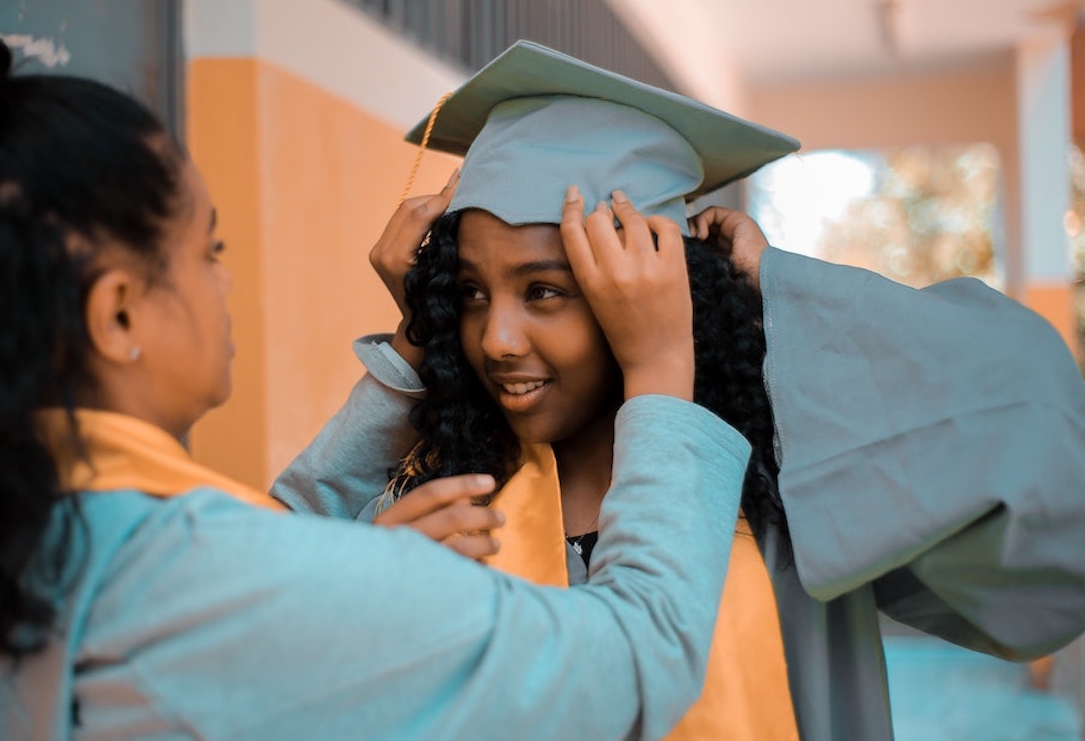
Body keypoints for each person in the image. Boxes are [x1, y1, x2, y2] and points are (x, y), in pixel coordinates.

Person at [0, 37, 755, 740]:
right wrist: (659, 371)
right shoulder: (204, 577)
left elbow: (273, 539)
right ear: (117, 316)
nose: (494, 337)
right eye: (207, 251)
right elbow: (641, 657)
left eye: (546, 291)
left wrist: (416, 355)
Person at [271, 40, 1085, 741]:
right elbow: (271, 590)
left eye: (546, 290)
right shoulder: (444, 504)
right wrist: (417, 338)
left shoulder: (782, 494)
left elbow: (1035, 425)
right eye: (472, 293)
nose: (497, 339)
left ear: (652, 288)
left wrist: (776, 286)